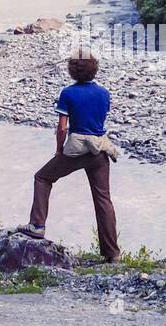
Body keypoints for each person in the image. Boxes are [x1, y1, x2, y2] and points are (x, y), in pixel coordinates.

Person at [20, 46, 120, 262]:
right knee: (103, 199)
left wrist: (58, 150)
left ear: (72, 70)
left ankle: (37, 225)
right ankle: (112, 254)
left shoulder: (68, 93)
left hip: (77, 149)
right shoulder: (104, 93)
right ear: (94, 69)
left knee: (43, 177)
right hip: (100, 149)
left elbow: (63, 128)